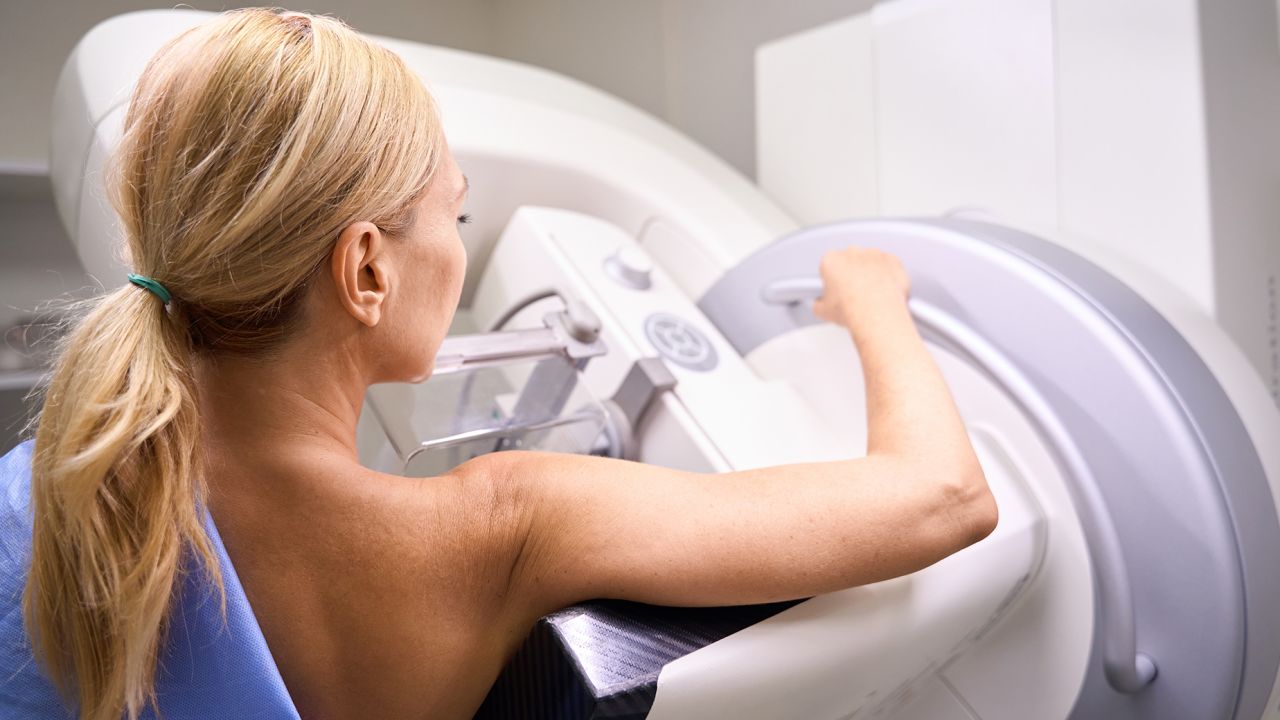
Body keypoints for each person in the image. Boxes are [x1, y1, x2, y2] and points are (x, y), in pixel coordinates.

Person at [2, 8, 996, 720]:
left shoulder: (44, 498)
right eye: (456, 211)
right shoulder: (497, 529)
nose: (460, 244)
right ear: (364, 270)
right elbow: (941, 497)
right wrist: (871, 302)